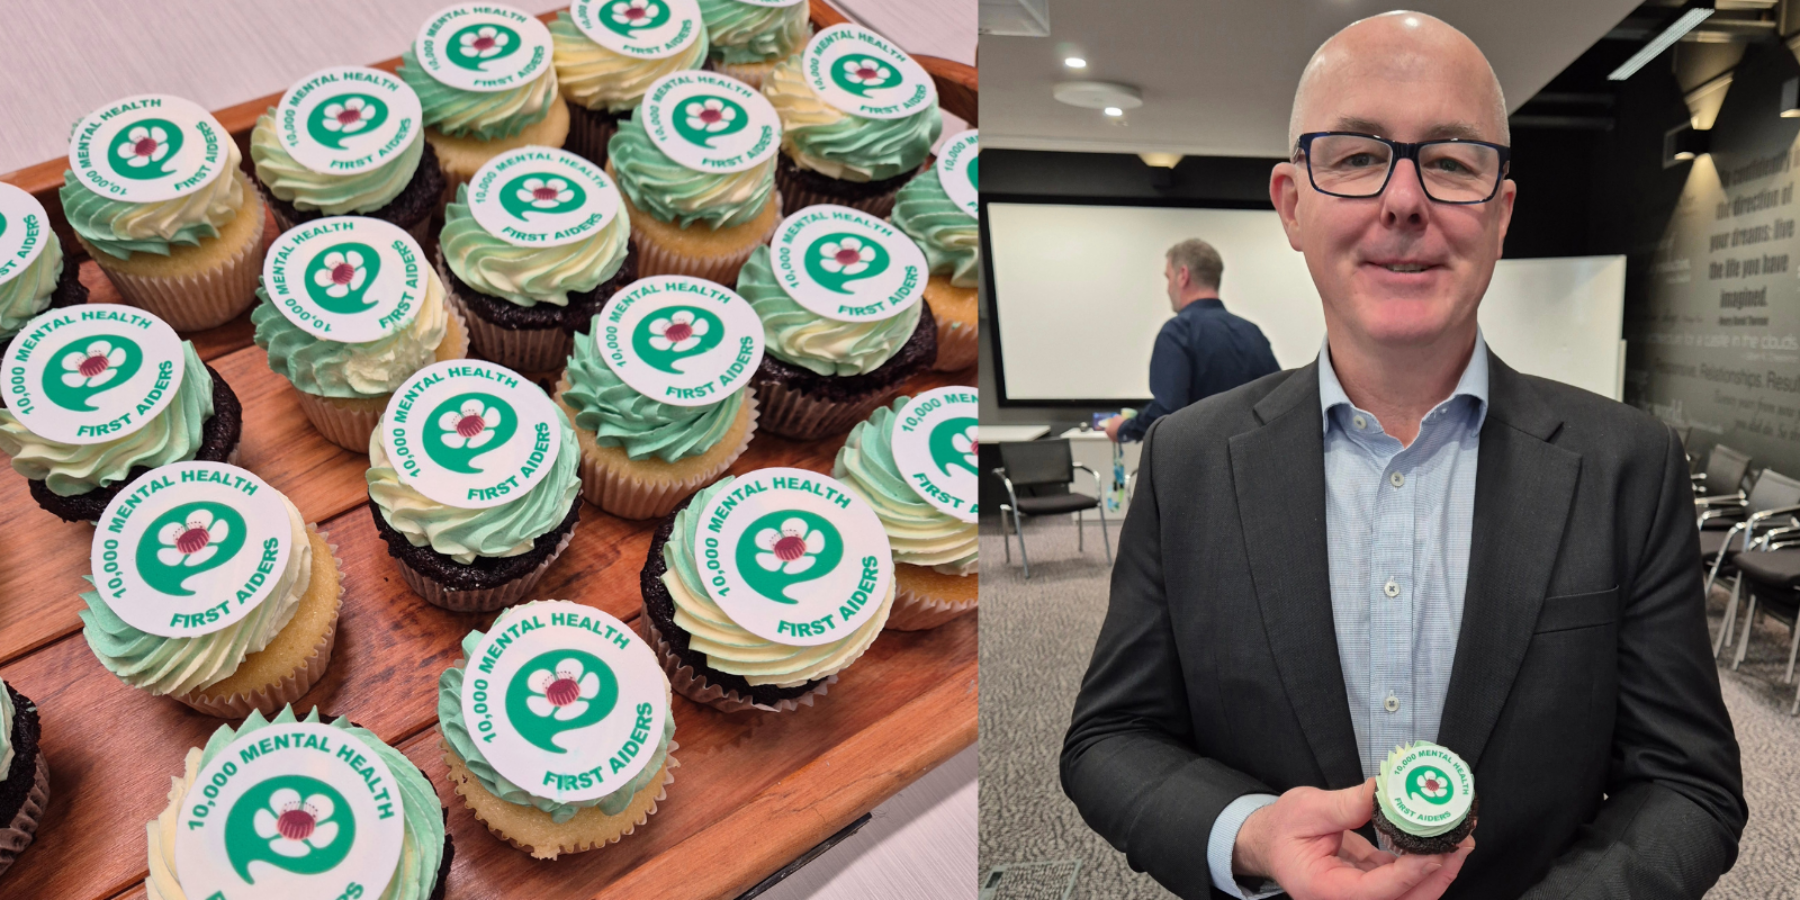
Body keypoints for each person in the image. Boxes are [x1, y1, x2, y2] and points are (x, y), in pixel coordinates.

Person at [1061, 11, 1745, 900]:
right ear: (1291, 204)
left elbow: (1688, 783)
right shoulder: (1189, 460)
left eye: (1454, 161)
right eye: (1354, 156)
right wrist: (1256, 836)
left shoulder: (1627, 464)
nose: (1404, 200)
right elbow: (1111, 738)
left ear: (1501, 214)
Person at [1102, 239, 1280, 443]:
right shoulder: (1252, 332)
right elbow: (1276, 400)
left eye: (1168, 278)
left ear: (1183, 276)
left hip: (1200, 466)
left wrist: (1125, 429)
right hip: (1252, 463)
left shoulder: (1177, 332)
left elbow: (1168, 413)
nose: (1168, 288)